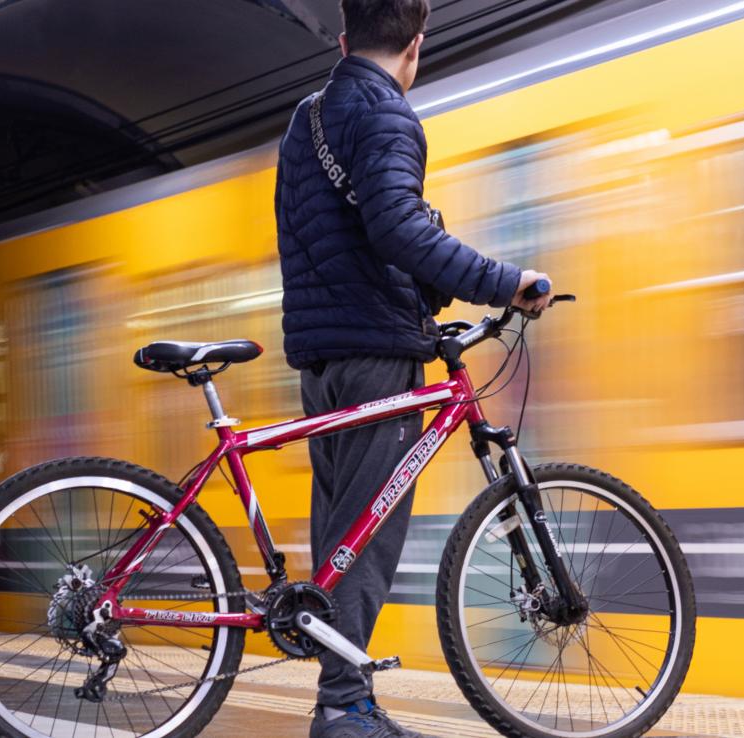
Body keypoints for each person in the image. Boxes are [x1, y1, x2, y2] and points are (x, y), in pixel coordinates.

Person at [273, 1, 552, 736]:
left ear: (344, 39)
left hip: (321, 355)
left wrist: (425, 286)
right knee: (366, 534)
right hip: (373, 353)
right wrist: (506, 281)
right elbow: (394, 225)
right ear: (416, 45)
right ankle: (343, 708)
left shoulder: (309, 116)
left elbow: (338, 232)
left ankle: (342, 695)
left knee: (340, 535)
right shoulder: (389, 114)